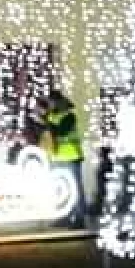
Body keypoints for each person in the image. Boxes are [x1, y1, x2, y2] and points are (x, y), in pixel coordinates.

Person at [41, 89, 84, 226]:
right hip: (57, 157)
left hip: (71, 157)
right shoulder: (52, 116)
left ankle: (79, 217)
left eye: (52, 102)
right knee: (62, 189)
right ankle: (64, 215)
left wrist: (45, 119)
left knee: (75, 189)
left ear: (59, 102)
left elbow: (60, 131)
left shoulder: (69, 115)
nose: (51, 104)